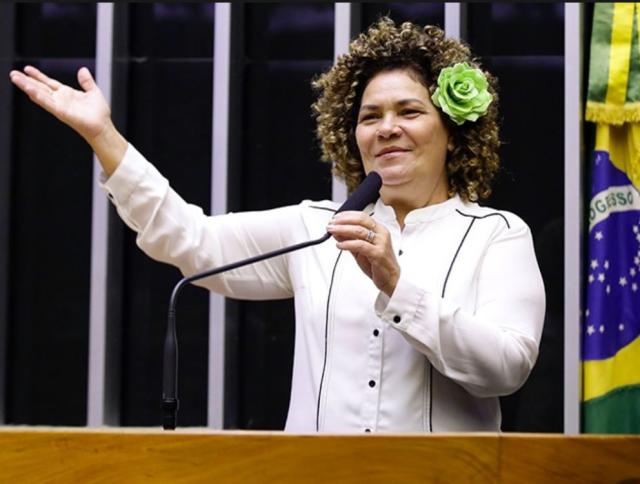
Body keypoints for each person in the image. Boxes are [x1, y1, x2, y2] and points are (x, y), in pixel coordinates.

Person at [9, 17, 545, 433]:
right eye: (369, 116)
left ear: (452, 132)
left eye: (409, 112)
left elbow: (507, 367)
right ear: (350, 136)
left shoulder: (497, 234)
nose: (387, 129)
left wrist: (397, 285)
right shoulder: (315, 228)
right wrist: (105, 137)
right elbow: (189, 240)